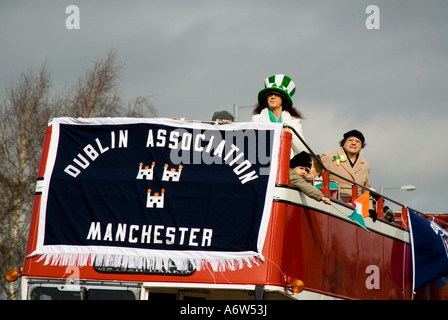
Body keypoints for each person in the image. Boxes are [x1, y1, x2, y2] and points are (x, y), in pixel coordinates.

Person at [252, 74, 307, 155]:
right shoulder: (256, 119)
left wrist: (288, 131)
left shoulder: (293, 121)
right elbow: (249, 144)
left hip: (286, 165)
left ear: (283, 99)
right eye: (269, 94)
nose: (273, 97)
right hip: (264, 164)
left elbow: (302, 149)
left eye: (277, 94)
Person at [320, 130, 371, 200]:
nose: (353, 143)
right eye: (350, 140)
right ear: (344, 143)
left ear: (361, 146)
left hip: (355, 205)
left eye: (357, 141)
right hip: (333, 200)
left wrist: (370, 209)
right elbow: (316, 176)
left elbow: (366, 191)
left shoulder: (365, 165)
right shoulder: (329, 156)